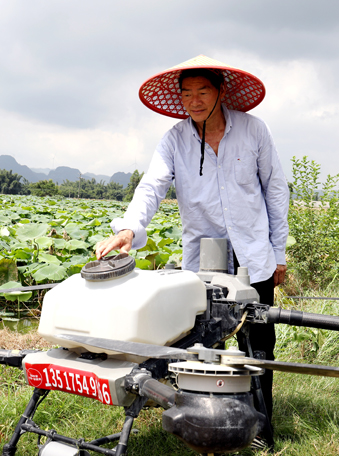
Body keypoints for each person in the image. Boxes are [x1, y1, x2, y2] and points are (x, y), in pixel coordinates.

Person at [95, 55, 289, 435]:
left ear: (220, 92)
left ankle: (262, 427)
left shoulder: (253, 131)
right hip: (203, 261)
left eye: (203, 91)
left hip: (254, 254)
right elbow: (151, 187)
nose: (195, 100)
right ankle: (205, 421)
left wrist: (278, 252)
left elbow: (275, 190)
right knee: (203, 339)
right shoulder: (174, 140)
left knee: (260, 340)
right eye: (187, 94)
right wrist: (129, 230)